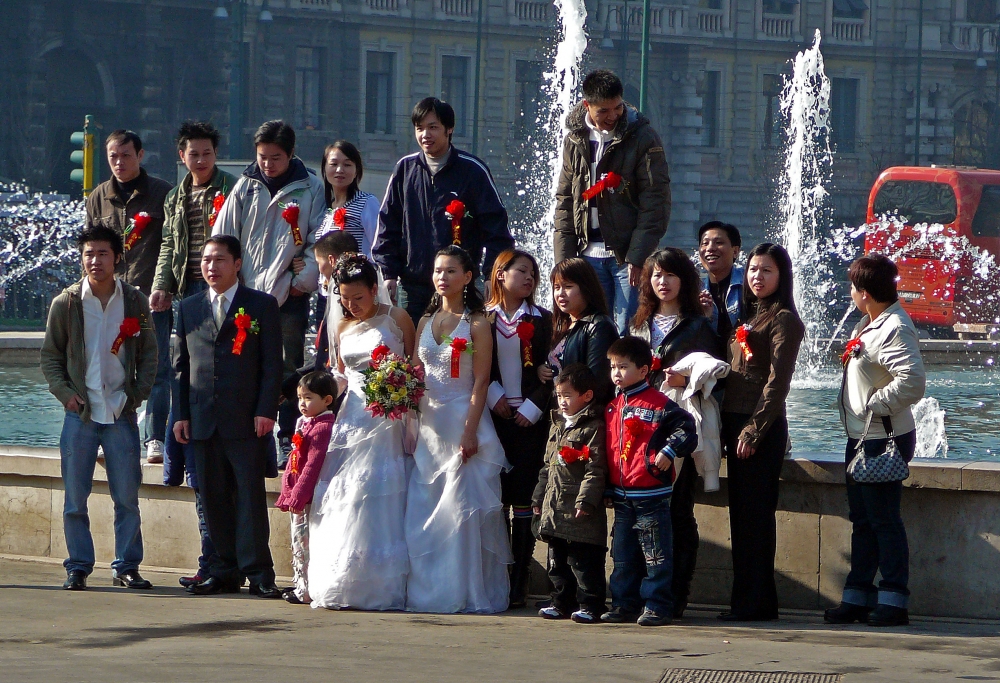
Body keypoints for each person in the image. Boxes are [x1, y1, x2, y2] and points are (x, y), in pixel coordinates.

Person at [40, 226, 158, 591]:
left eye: (102, 253)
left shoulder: (135, 301)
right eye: (89, 254)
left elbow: (151, 353)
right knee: (75, 498)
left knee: (127, 497)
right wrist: (65, 394)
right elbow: (50, 357)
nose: (95, 261)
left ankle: (127, 566)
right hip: (81, 413)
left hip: (120, 412)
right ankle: (78, 566)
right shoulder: (68, 302)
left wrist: (135, 396)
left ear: (117, 258)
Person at [172, 235, 284, 598]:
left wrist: (267, 410)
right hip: (203, 419)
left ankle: (258, 572)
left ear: (237, 264)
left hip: (247, 419)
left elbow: (272, 365)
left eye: (219, 260)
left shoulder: (261, 305)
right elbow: (181, 368)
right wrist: (180, 415)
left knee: (250, 498)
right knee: (213, 497)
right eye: (206, 260)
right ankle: (222, 570)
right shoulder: (189, 307)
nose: (211, 267)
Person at [405, 246, 512, 613]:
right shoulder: (424, 322)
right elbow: (417, 376)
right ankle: (427, 589)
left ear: (467, 278)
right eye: (438, 271)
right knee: (426, 504)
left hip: (463, 416)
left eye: (451, 271)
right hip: (429, 420)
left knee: (462, 509)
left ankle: (463, 591)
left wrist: (470, 432)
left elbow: (481, 382)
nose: (442, 277)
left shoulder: (478, 323)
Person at [212, 120, 325, 466]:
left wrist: (301, 280)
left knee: (289, 367)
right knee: (244, 364)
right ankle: (249, 435)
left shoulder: (310, 188)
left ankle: (286, 439)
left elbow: (318, 238)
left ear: (291, 154)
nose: (268, 164)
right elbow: (225, 234)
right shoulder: (245, 186)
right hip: (246, 295)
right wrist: (231, 281)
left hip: (287, 296)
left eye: (275, 157)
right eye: (262, 157)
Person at [153, 121, 237, 587]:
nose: (201, 161)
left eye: (207, 153)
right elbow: (168, 243)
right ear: (181, 156)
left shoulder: (232, 188)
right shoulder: (175, 196)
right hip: (189, 291)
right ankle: (170, 452)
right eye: (193, 154)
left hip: (223, 291)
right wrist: (162, 285)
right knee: (176, 374)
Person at [308, 254, 415, 610]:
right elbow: (341, 373)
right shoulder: (341, 328)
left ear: (375, 289)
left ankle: (381, 584)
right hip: (352, 416)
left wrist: (399, 389)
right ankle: (345, 577)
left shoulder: (397, 319)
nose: (351, 306)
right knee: (345, 493)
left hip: (388, 418)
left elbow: (414, 365)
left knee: (378, 492)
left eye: (359, 298)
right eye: (344, 299)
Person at [825, 255, 925, 628]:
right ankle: (857, 596)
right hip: (863, 437)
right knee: (863, 521)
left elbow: (912, 381)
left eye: (853, 288)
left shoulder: (895, 327)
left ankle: (894, 600)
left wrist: (873, 405)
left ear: (864, 294)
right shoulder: (874, 323)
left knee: (883, 521)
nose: (850, 294)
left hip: (883, 439)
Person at [628, 246, 719, 618]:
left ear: (684, 280)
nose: (662, 282)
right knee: (636, 512)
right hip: (638, 428)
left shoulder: (698, 326)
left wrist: (686, 378)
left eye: (670, 275)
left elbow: (716, 375)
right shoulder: (637, 326)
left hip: (679, 427)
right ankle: (638, 592)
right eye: (656, 275)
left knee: (679, 511)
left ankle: (676, 593)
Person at [719, 243, 804, 622]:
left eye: (766, 270)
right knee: (742, 517)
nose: (757, 277)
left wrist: (753, 431)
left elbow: (777, 383)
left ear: (781, 276)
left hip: (760, 427)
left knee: (755, 517)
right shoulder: (750, 316)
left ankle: (755, 604)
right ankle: (747, 602)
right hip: (736, 422)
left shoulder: (783, 319)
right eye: (753, 269)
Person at [373, 97, 514, 323]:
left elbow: (497, 229)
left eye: (433, 127)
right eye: (419, 128)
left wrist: (492, 275)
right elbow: (388, 224)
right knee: (412, 351)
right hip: (413, 285)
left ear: (449, 129)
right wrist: (388, 273)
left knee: (458, 349)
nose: (425, 135)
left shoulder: (472, 171)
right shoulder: (405, 169)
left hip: (460, 284)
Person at [553, 69, 671, 334]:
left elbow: (656, 202)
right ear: (587, 105)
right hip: (585, 257)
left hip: (625, 259)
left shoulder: (642, 137)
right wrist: (564, 261)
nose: (612, 116)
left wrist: (637, 257)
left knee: (624, 334)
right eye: (603, 111)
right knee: (590, 333)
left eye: (617, 108)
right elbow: (565, 200)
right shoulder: (575, 138)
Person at [84, 129, 172, 463]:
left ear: (140, 155)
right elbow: (91, 247)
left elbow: (170, 244)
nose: (119, 163)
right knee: (109, 365)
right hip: (110, 298)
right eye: (113, 157)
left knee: (158, 367)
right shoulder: (98, 196)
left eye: (125, 155)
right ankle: (109, 434)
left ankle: (155, 438)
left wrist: (164, 285)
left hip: (152, 296)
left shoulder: (162, 193)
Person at [601, 337, 697, 626]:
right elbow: (610, 451)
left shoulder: (660, 405)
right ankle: (623, 604)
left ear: (644, 371)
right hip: (621, 493)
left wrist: (668, 451)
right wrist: (607, 486)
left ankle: (658, 604)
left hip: (651, 492)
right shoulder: (613, 406)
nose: (616, 373)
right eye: (612, 367)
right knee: (623, 554)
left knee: (656, 554)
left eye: (623, 367)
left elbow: (688, 430)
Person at [485, 249, 553, 607]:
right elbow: (477, 367)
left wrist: (535, 404)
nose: (528, 278)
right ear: (501, 275)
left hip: (529, 420)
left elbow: (552, 368)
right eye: (521, 271)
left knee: (524, 499)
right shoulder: (484, 319)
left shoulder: (544, 319)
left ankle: (520, 578)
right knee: (497, 498)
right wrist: (493, 394)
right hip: (494, 418)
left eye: (532, 273)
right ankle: (496, 572)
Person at [532, 364, 608, 624]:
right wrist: (538, 497)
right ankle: (560, 601)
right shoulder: (557, 425)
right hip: (555, 507)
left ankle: (590, 603)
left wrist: (587, 500)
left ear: (586, 396)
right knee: (557, 561)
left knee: (583, 562)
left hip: (578, 510)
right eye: (559, 395)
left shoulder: (593, 427)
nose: (562, 401)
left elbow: (595, 469)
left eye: (568, 396)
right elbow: (547, 466)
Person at [276, 371, 336, 606]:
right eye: (300, 397)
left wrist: (298, 493)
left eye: (309, 398)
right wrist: (287, 489)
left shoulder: (322, 427)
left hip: (308, 497)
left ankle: (306, 588)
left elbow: (313, 464)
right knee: (297, 541)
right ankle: (301, 583)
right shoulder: (305, 422)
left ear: (327, 400)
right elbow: (294, 459)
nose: (302, 403)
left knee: (305, 543)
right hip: (297, 491)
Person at [538, 258, 619, 407]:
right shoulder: (561, 324)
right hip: (560, 412)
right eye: (556, 287)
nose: (560, 294)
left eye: (568, 286)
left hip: (583, 417)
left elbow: (598, 384)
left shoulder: (599, 326)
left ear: (586, 288)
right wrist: (543, 370)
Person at [316, 141, 380, 257]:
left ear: (357, 171)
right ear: (324, 168)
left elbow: (379, 245)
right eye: (334, 164)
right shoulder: (325, 208)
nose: (340, 170)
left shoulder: (367, 202)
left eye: (347, 165)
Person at [697, 221, 743, 354]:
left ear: (735, 251)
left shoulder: (748, 284)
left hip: (743, 364)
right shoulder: (695, 292)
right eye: (705, 243)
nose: (710, 248)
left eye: (718, 242)